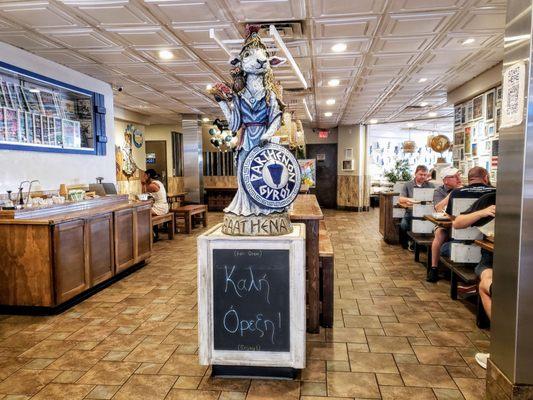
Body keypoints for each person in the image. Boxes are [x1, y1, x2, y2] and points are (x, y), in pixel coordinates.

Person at [453, 192, 496, 369]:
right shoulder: (490, 198)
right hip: (492, 258)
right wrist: (483, 212)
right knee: (486, 281)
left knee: (487, 285)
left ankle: (506, 346)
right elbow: (457, 223)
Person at [427, 167, 462, 282]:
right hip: (444, 224)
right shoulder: (438, 191)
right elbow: (438, 208)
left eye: (458, 175)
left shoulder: (465, 189)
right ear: (445, 180)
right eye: (454, 176)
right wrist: (453, 193)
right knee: (440, 233)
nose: (458, 178)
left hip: (462, 223)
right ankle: (434, 268)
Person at [398, 165, 435, 250]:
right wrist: (411, 200)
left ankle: (423, 246)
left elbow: (435, 199)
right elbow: (400, 199)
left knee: (431, 226)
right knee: (403, 225)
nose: (423, 176)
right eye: (420, 174)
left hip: (427, 213)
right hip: (411, 212)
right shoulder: (407, 185)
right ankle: (406, 244)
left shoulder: (431, 185)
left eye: (425, 175)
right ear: (415, 174)